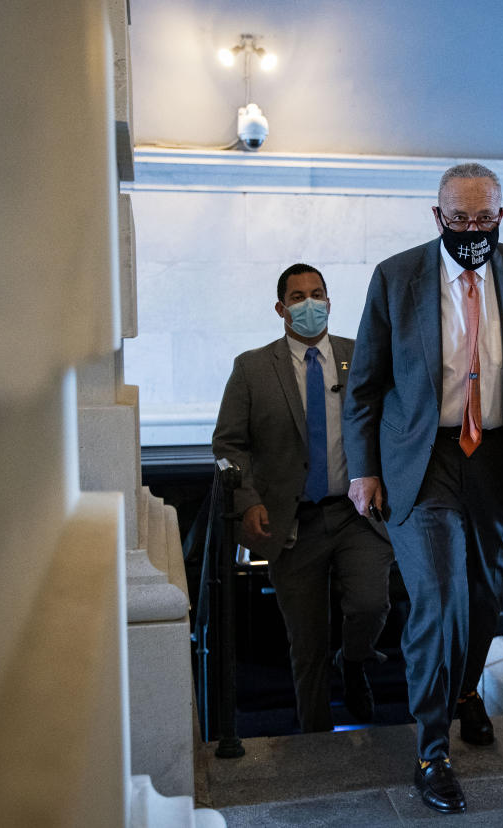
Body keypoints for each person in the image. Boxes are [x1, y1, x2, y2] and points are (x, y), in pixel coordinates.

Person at [343, 163, 503, 814]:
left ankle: (466, 692)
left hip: (495, 456)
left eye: (485, 217)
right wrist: (363, 468)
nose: (473, 229)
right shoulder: (397, 277)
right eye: (460, 218)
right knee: (438, 598)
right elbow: (366, 386)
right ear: (437, 217)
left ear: (501, 215)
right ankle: (431, 751)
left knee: (486, 595)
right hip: (423, 457)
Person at [212, 263, 394, 733]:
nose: (309, 304)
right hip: (293, 524)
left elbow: (392, 427)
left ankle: (353, 661)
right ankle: (316, 742)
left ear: (330, 302)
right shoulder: (253, 368)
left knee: (371, 604)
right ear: (281, 308)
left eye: (317, 294)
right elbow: (229, 445)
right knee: (306, 645)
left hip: (358, 516)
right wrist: (248, 500)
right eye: (298, 297)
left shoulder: (363, 358)